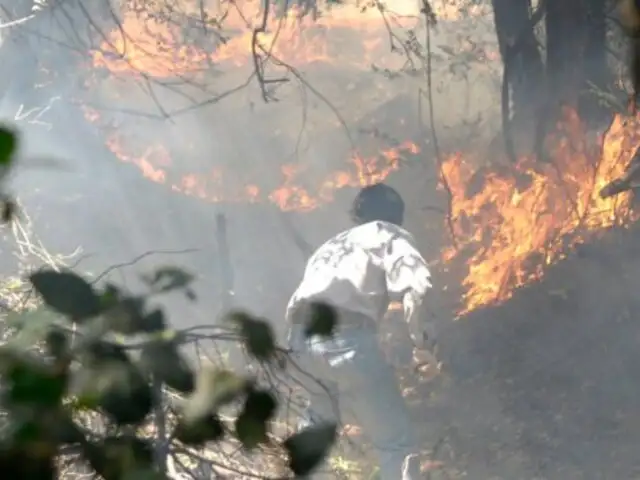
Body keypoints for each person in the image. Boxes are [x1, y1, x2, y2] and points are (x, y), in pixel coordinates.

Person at [285, 183, 438, 480]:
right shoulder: (387, 233)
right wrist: (422, 344)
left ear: (357, 213)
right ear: (397, 216)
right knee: (396, 444)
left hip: (301, 342)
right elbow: (417, 286)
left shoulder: (329, 247)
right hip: (345, 339)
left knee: (315, 438)